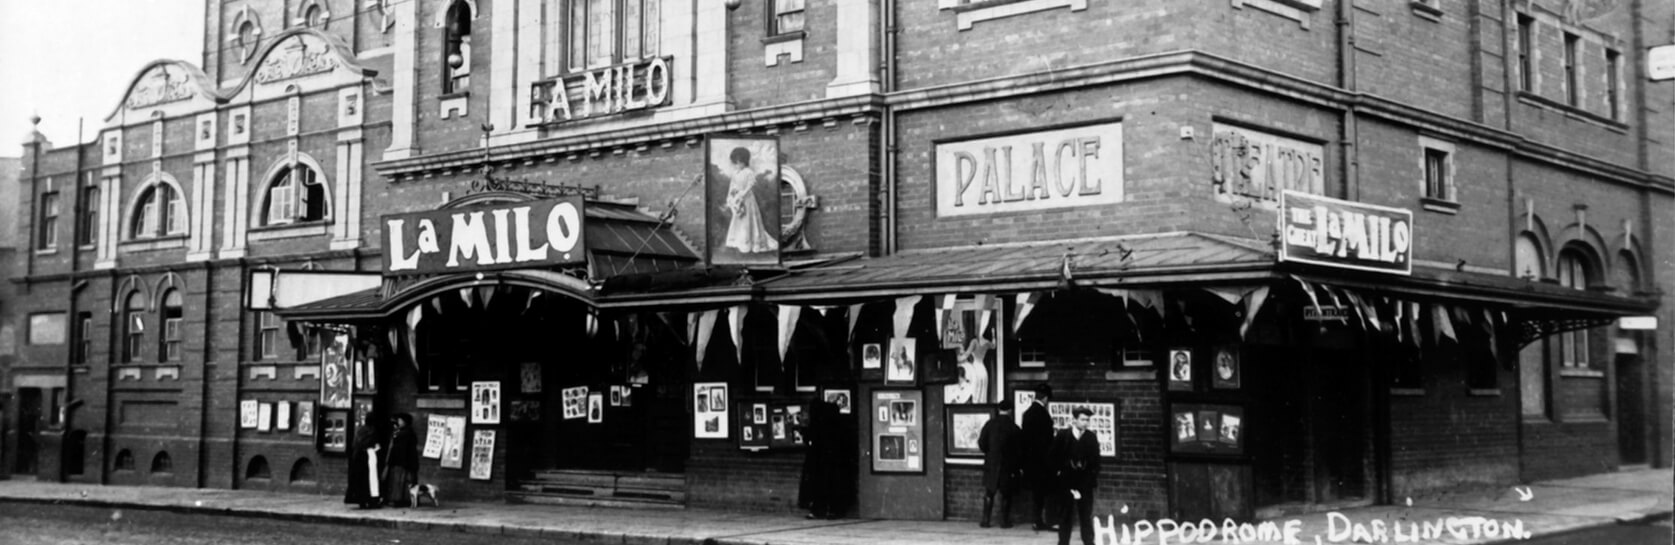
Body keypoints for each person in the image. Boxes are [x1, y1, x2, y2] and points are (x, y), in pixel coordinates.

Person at [1052, 407, 1102, 545]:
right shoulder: (1063, 436)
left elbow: (1096, 461)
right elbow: (1053, 456)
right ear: (1074, 420)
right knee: (1065, 516)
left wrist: (1091, 476)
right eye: (1082, 419)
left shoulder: (1091, 437)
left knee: (1085, 516)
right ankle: (1063, 542)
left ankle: (1088, 542)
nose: (1085, 423)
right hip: (1066, 482)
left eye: (1087, 420)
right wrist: (1059, 473)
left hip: (1084, 482)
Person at [797, 401, 851, 519]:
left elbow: (810, 439)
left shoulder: (818, 425)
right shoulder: (838, 424)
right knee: (831, 486)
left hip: (821, 463)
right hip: (831, 463)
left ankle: (820, 510)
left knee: (819, 487)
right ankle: (831, 510)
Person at [721, 147, 779, 254]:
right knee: (739, 220)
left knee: (748, 220)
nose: (738, 165)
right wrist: (731, 197)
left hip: (747, 199)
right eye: (736, 162)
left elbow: (750, 185)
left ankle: (751, 243)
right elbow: (732, 185)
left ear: (745, 161)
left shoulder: (748, 172)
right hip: (738, 199)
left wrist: (742, 194)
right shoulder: (735, 173)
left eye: (740, 162)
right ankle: (739, 242)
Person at [977, 405, 1021, 528]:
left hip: (991, 464)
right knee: (1006, 494)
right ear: (1010, 411)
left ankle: (986, 520)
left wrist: (990, 453)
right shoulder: (1014, 427)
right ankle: (1004, 522)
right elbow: (1019, 449)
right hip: (1008, 465)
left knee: (989, 492)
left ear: (999, 410)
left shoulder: (990, 424)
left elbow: (982, 443)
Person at [1021, 384, 1056, 531]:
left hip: (1031, 460)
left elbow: (1026, 438)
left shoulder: (1027, 413)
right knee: (1047, 492)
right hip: (1043, 461)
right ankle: (1047, 521)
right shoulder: (1043, 414)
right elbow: (1048, 441)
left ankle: (1037, 520)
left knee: (1037, 493)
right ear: (1046, 398)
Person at [382, 413, 419, 507]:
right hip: (403, 461)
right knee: (402, 481)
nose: (398, 422)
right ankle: (405, 499)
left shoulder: (405, 433)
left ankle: (400, 499)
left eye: (400, 420)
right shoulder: (406, 432)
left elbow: (400, 448)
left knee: (401, 481)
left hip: (402, 462)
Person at [344, 423, 382, 509]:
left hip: (358, 457)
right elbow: (375, 444)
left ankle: (361, 501)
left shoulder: (360, 430)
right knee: (371, 479)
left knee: (360, 480)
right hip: (369, 455)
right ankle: (372, 500)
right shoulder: (373, 431)